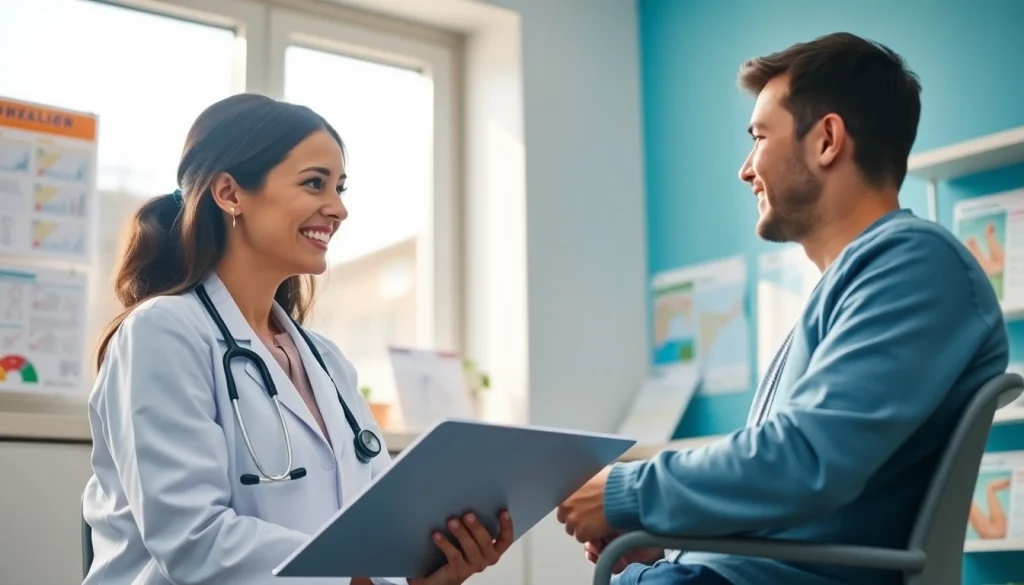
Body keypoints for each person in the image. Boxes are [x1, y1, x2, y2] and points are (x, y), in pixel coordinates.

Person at [556, 31, 1009, 585]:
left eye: (759, 138)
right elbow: (794, 500)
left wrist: (629, 493)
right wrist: (671, 547)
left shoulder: (916, 264)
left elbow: (805, 461)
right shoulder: (861, 283)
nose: (746, 170)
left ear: (827, 140)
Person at [81, 93, 514, 585]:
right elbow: (194, 540)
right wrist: (356, 576)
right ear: (229, 193)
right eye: (314, 183)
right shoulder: (162, 332)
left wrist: (425, 570)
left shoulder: (325, 360)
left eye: (340, 188)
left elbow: (372, 528)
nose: (339, 209)